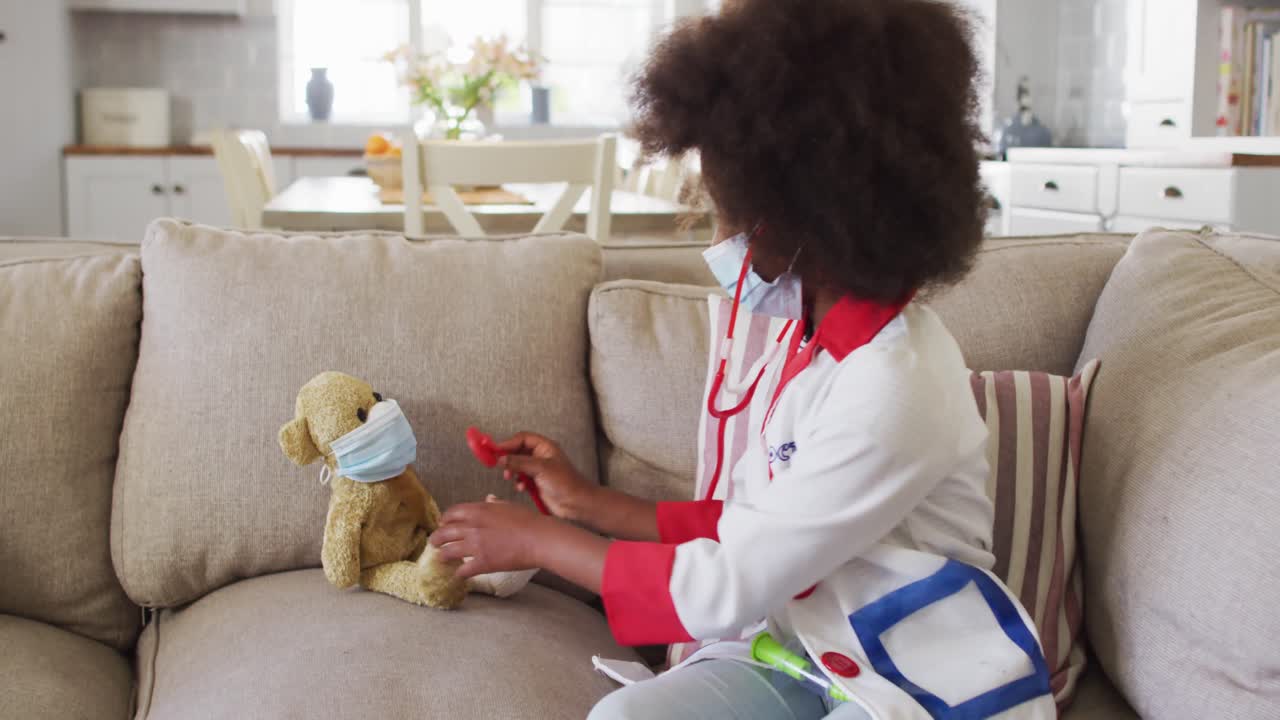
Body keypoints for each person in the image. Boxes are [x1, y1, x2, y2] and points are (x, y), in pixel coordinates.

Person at [430, 1, 1055, 717]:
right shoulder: (808, 341)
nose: (721, 236)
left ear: (811, 217)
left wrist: (542, 542)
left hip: (922, 678)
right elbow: (751, 524)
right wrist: (590, 504)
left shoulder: (895, 384)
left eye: (734, 214)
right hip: (804, 652)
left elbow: (726, 582)